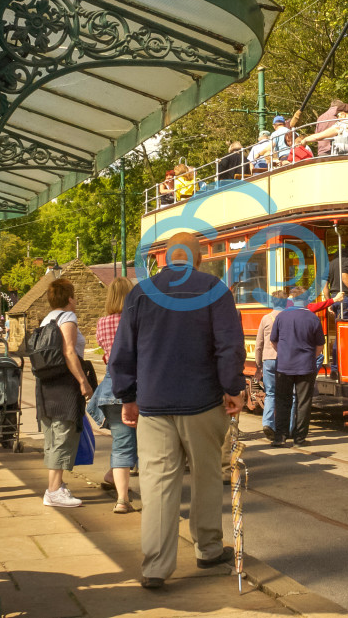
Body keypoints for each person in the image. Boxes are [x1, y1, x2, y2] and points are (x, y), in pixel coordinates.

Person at [109, 231, 246, 590]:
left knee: (157, 485)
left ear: (165, 259)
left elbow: (124, 351)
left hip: (153, 406)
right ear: (199, 259)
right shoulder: (215, 289)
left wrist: (127, 395)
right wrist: (233, 389)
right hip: (203, 402)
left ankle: (155, 566)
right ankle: (208, 548)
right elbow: (228, 347)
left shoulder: (141, 293)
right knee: (205, 477)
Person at [37, 278, 95, 507]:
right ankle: (53, 491)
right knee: (63, 434)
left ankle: (55, 486)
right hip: (64, 385)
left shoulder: (47, 318)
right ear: (69, 298)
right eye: (74, 296)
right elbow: (69, 352)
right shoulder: (68, 317)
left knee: (53, 435)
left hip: (46, 384)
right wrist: (83, 381)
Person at [88, 277, 138, 514]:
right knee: (141, 444)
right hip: (136, 386)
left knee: (122, 444)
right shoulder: (137, 321)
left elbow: (105, 353)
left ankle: (117, 484)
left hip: (110, 387)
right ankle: (122, 498)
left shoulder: (103, 323)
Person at [271, 291, 326, 447]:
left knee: (282, 401)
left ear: (292, 300)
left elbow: (273, 341)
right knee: (303, 403)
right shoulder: (313, 318)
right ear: (306, 300)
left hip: (284, 366)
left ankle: (280, 437)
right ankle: (299, 439)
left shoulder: (281, 316)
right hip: (305, 367)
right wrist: (310, 358)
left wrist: (283, 354)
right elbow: (320, 345)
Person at [254, 290, 286, 441]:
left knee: (271, 393)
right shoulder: (288, 318)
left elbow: (259, 344)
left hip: (268, 360)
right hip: (286, 360)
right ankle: (288, 427)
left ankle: (268, 423)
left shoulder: (266, 318)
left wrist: (258, 364)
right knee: (288, 394)